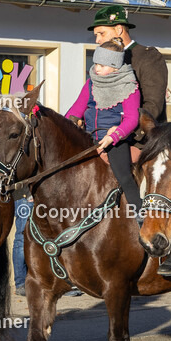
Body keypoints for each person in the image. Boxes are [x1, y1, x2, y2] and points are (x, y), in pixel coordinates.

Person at [88, 4, 171, 275]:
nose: (96, 39)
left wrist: (121, 132)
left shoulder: (147, 57)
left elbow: (151, 105)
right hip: (105, 137)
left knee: (158, 188)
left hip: (143, 139)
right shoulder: (101, 59)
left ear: (119, 29)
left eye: (100, 32)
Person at [65, 39, 144, 222]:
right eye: (95, 63)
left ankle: (141, 216)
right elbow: (75, 110)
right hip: (89, 137)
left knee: (123, 176)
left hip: (115, 140)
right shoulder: (91, 83)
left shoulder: (129, 87)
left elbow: (132, 119)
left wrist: (113, 137)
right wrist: (68, 125)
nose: (97, 68)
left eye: (102, 65)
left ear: (115, 67)